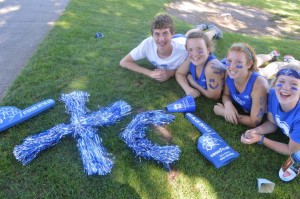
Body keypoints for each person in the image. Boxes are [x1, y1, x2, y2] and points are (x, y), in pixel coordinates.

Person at [119, 14, 223, 82]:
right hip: (176, 41)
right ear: (152, 35)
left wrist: (170, 73)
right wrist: (149, 73)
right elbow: (124, 62)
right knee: (190, 34)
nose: (161, 39)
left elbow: (201, 57)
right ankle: (199, 27)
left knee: (200, 39)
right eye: (157, 34)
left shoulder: (185, 50)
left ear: (172, 33)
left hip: (183, 41)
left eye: (165, 33)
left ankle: (214, 31)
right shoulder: (147, 44)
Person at [241, 63, 300, 180]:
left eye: (294, 84)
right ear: (274, 83)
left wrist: (261, 139)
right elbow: (273, 123)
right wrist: (257, 130)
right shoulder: (273, 94)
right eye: (281, 81)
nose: (285, 87)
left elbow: (290, 149)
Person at [213, 43, 269, 127]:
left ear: (249, 64)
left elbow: (254, 122)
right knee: (258, 63)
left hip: (253, 77)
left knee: (267, 70)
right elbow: (226, 94)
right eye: (229, 61)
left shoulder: (259, 85)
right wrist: (228, 105)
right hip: (244, 72)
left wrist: (224, 112)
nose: (231, 66)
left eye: (238, 62)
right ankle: (270, 55)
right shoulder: (229, 73)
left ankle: (278, 62)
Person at [175, 31, 225, 100]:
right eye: (190, 49)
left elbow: (214, 96)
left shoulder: (212, 68)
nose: (195, 54)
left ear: (208, 49)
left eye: (199, 49)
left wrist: (193, 83)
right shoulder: (191, 59)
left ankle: (214, 31)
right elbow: (179, 73)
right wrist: (187, 88)